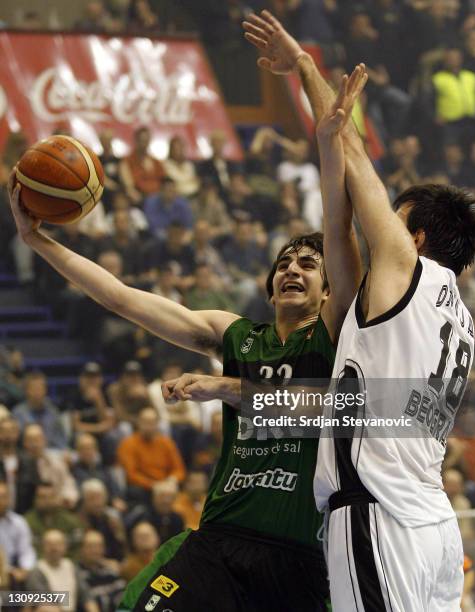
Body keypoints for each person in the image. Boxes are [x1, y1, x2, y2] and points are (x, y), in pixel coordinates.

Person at [6, 47, 362, 611]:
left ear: (328, 291)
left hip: (300, 554)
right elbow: (122, 299)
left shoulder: (338, 335)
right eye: (284, 263)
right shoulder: (237, 335)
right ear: (270, 287)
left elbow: (339, 232)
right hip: (219, 542)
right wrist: (38, 242)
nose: (293, 268)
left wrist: (328, 145)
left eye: (308, 265)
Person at [244, 9, 475, 612]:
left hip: (380, 517)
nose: (384, 227)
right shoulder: (458, 316)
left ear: (418, 239)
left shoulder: (407, 266)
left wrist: (303, 64)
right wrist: (329, 146)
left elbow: (355, 159)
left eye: (396, 222)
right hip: (432, 520)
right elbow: (338, 226)